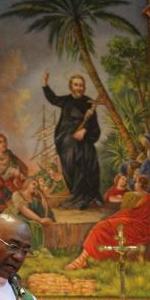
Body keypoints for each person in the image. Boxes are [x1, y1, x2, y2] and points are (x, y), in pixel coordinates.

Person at [66, 174, 150, 270]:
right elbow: (132, 212)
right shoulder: (149, 197)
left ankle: (81, 260)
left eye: (136, 182)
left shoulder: (139, 197)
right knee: (102, 227)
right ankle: (82, 259)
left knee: (101, 227)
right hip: (135, 224)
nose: (134, 184)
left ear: (140, 184)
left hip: (135, 226)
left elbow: (134, 213)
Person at [42, 71, 102, 210]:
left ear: (84, 87)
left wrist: (85, 131)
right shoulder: (66, 100)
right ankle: (76, 194)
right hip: (66, 139)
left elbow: (94, 126)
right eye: (76, 85)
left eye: (81, 85)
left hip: (84, 141)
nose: (79, 88)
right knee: (70, 160)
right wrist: (45, 85)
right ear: (71, 86)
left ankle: (88, 197)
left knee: (88, 159)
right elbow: (53, 99)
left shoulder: (89, 103)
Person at [6, 177, 54, 251]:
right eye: (33, 184)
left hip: (29, 217)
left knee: (35, 224)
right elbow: (23, 210)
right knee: (29, 226)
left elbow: (45, 210)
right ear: (27, 184)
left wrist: (42, 196)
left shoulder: (34, 198)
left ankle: (36, 249)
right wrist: (40, 220)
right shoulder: (17, 194)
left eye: (37, 185)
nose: (35, 186)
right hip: (16, 217)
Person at [0, 133, 28, 214]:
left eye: (4, 141)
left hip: (14, 182)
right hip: (0, 185)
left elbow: (20, 166)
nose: (3, 144)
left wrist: (18, 173)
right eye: (0, 142)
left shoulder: (10, 155)